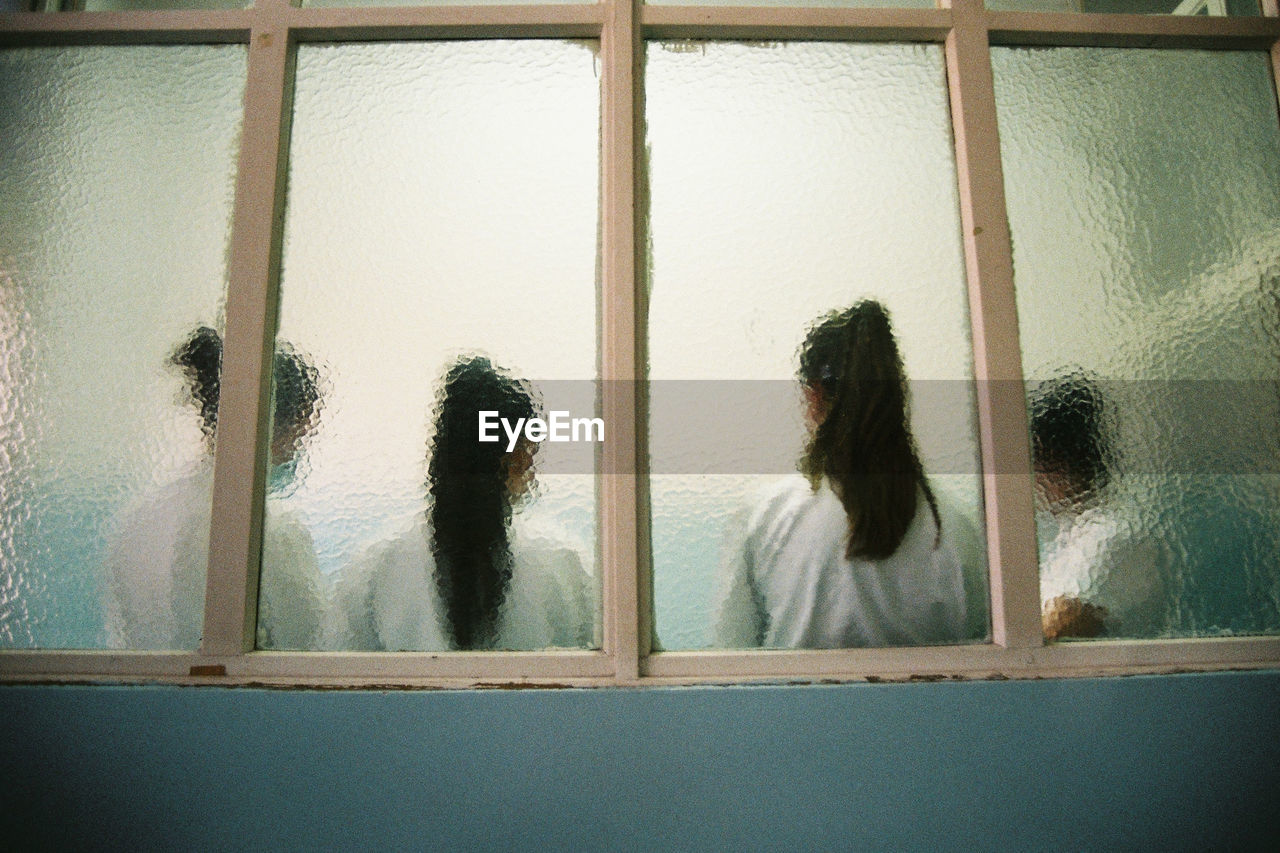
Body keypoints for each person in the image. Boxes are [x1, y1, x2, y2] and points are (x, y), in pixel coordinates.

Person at [714, 300, 978, 648]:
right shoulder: (957, 526)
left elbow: (731, 659)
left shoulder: (764, 519)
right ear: (895, 398)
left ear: (814, 396)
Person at [331, 355, 593, 651]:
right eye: (527, 453)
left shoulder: (376, 569)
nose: (531, 470)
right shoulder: (560, 564)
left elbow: (327, 670)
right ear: (518, 458)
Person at [104, 326, 328, 650]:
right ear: (277, 425)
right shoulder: (268, 531)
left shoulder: (140, 523)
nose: (297, 451)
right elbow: (306, 653)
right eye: (300, 436)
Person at [1031, 373, 1165, 640]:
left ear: (1059, 463)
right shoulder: (1065, 536)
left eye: (1038, 462)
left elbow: (1062, 623)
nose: (1033, 478)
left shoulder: (1113, 536)